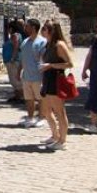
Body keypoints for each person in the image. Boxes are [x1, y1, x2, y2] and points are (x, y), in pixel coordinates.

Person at [39, 20, 75, 150]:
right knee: (46, 110)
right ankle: (55, 135)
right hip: (47, 79)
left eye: (44, 28)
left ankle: (62, 140)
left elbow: (70, 64)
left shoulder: (59, 45)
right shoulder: (48, 44)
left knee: (59, 111)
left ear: (50, 31)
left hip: (56, 79)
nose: (42, 31)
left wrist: (51, 66)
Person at [18, 19, 48, 128]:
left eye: (27, 26)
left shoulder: (42, 42)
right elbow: (22, 58)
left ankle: (41, 118)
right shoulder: (25, 42)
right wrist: (19, 71)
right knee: (28, 99)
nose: (25, 28)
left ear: (34, 28)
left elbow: (44, 59)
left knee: (40, 99)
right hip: (26, 76)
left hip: (38, 76)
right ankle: (30, 118)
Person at [3, 21, 23, 103]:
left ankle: (21, 96)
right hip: (11, 61)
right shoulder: (16, 35)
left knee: (16, 79)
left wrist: (12, 59)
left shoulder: (15, 36)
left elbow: (16, 47)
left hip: (13, 61)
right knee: (13, 79)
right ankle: (17, 96)